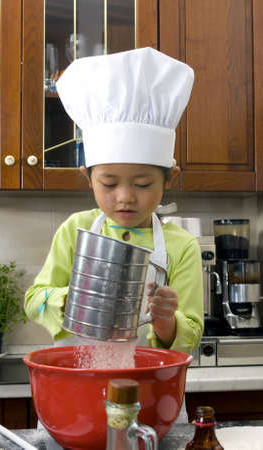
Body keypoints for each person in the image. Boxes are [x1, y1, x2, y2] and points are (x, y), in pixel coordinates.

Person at [24, 47, 203, 354]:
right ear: (88, 177)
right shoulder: (75, 229)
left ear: (169, 178)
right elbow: (33, 303)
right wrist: (68, 299)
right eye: (108, 183)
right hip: (80, 387)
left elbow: (192, 334)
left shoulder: (182, 245)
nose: (125, 197)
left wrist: (165, 321)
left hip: (151, 392)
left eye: (143, 183)